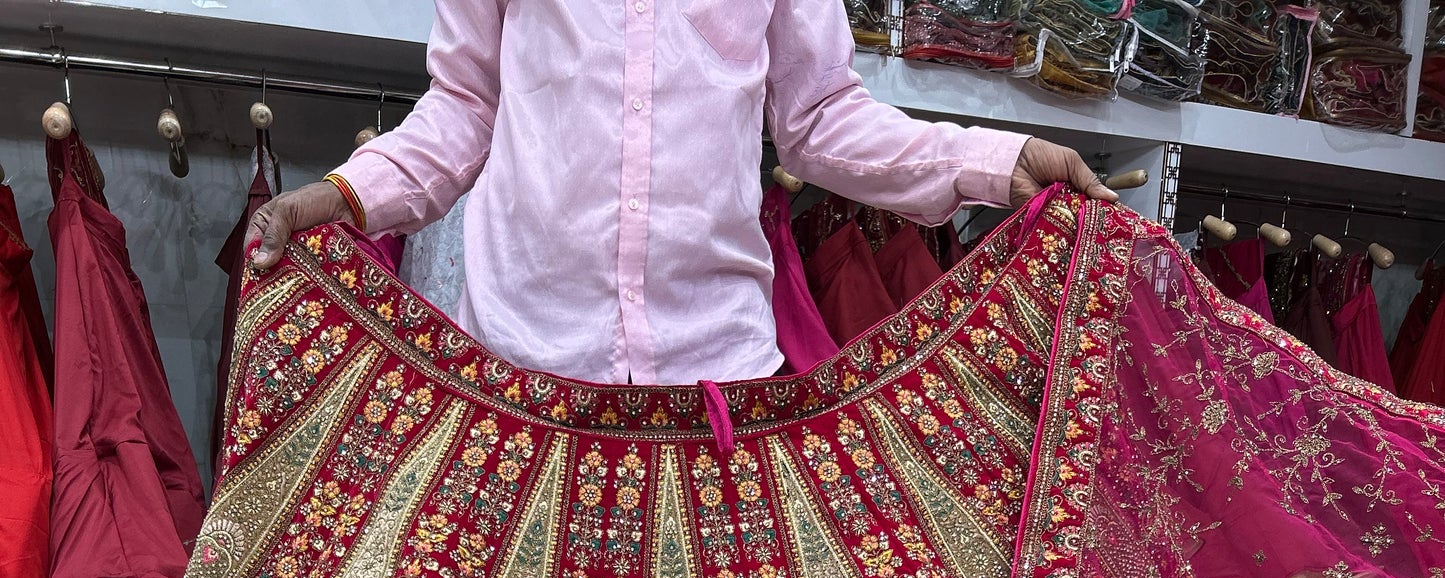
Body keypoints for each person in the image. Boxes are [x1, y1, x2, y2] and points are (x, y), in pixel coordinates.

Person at [244, 0, 1114, 384]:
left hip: (714, 375)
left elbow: (818, 118)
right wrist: (342, 193)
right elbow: (464, 109)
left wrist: (999, 162)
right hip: (524, 366)